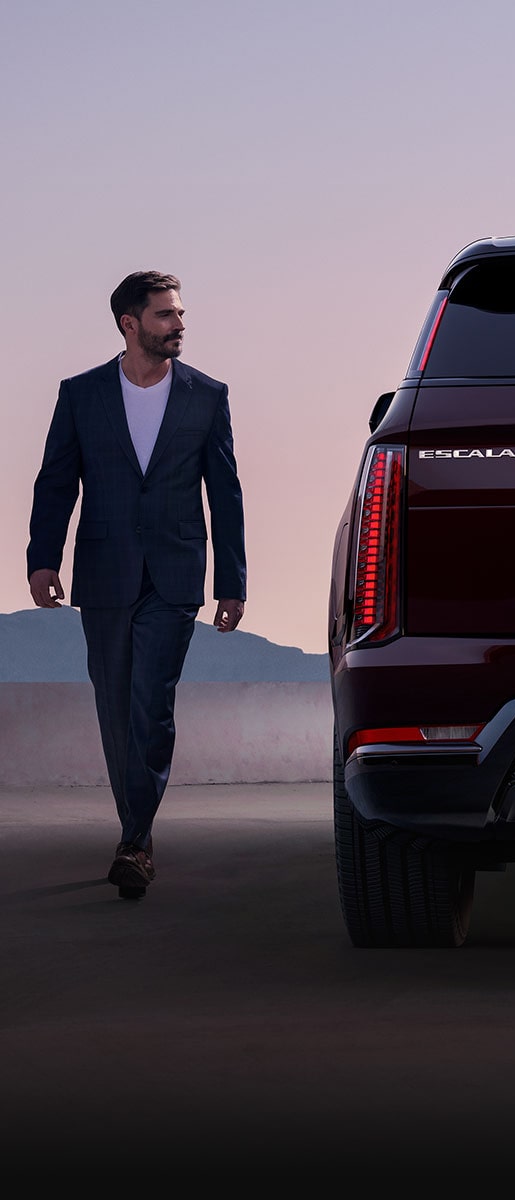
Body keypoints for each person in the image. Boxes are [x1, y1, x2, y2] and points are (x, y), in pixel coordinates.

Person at [27, 271, 247, 899]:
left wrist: (232, 581)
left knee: (152, 704)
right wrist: (43, 559)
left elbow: (225, 493)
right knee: (116, 706)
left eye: (179, 313)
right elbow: (55, 481)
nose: (179, 324)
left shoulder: (207, 395)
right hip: (103, 572)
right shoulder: (82, 394)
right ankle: (137, 835)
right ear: (130, 324)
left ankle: (134, 842)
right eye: (165, 315)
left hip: (174, 577)